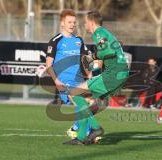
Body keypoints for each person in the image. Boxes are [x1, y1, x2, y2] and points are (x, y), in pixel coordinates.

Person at [64, 11, 129, 144]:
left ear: (91, 22)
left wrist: (91, 57)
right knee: (90, 104)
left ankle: (95, 128)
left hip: (113, 74)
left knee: (74, 93)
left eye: (85, 22)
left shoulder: (99, 33)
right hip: (118, 74)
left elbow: (107, 51)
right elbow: (109, 54)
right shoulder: (105, 34)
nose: (84, 24)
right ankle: (82, 138)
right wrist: (93, 63)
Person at [45, 9, 100, 145]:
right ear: (62, 23)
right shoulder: (55, 41)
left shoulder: (78, 40)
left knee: (91, 102)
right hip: (64, 81)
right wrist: (56, 80)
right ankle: (91, 130)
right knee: (81, 102)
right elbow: (48, 65)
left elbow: (85, 60)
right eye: (69, 22)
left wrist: (90, 75)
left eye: (74, 22)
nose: (72, 24)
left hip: (79, 80)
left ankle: (78, 129)